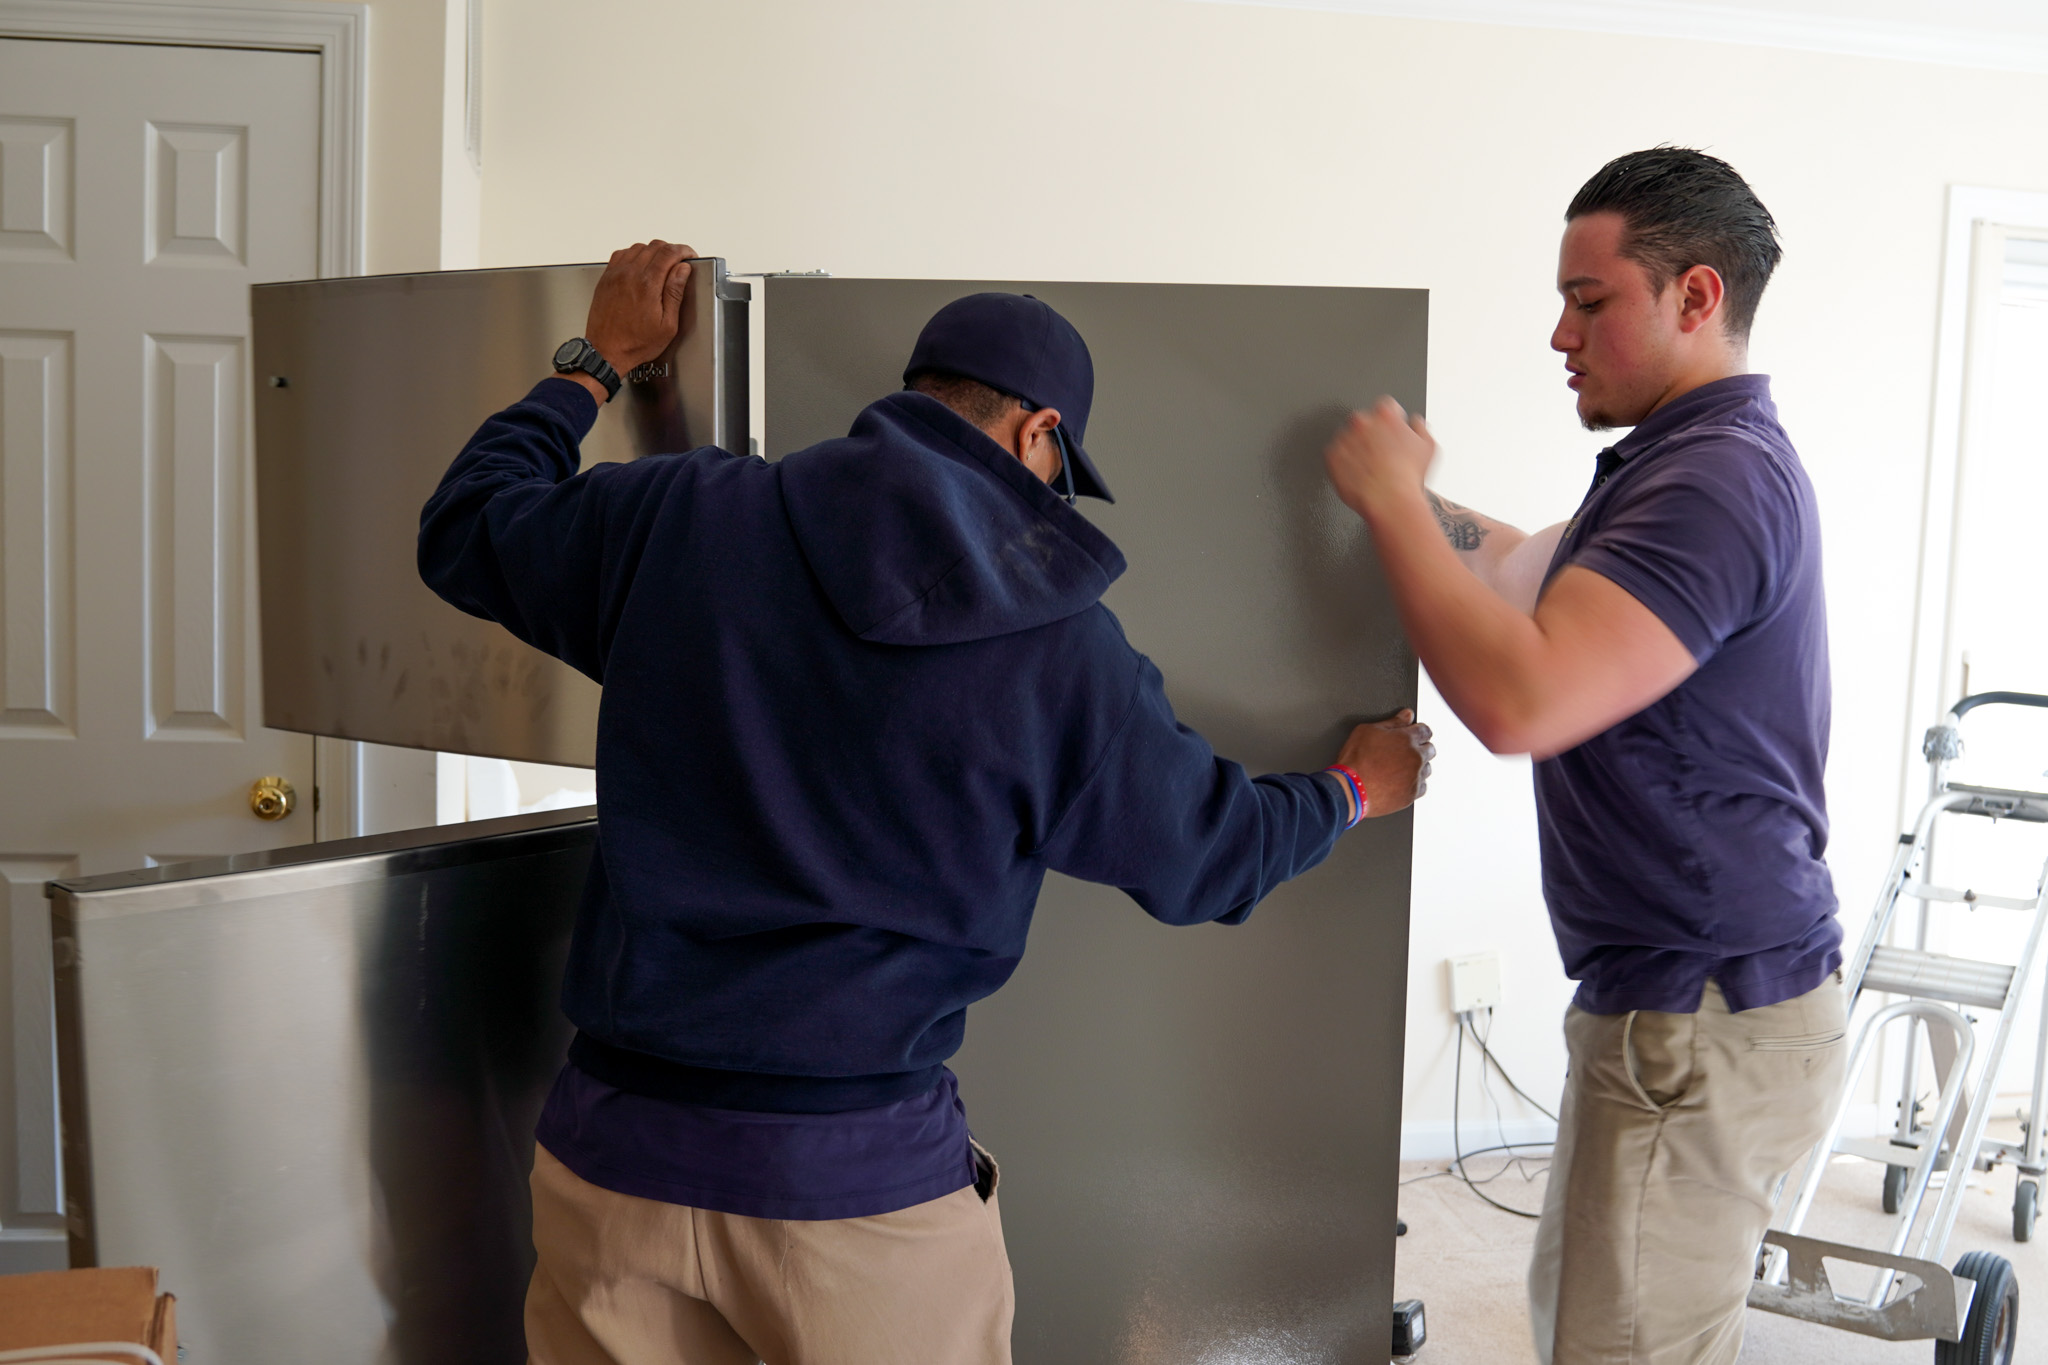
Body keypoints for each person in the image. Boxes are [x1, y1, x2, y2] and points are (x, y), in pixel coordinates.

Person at [419, 241, 1435, 1365]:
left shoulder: (676, 516)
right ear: (1037, 433)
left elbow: (465, 526)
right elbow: (1211, 856)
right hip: (851, 1197)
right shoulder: (1057, 647)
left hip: (609, 1164)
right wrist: (1351, 788)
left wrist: (593, 363)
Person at [1321, 148, 1846, 1365]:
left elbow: (1523, 699)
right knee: (1585, 1328)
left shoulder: (1712, 481)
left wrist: (1395, 504)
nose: (1558, 333)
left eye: (1590, 300)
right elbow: (1514, 568)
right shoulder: (1672, 469)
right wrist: (1397, 500)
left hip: (1699, 1012)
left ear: (1695, 298)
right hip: (1675, 1001)